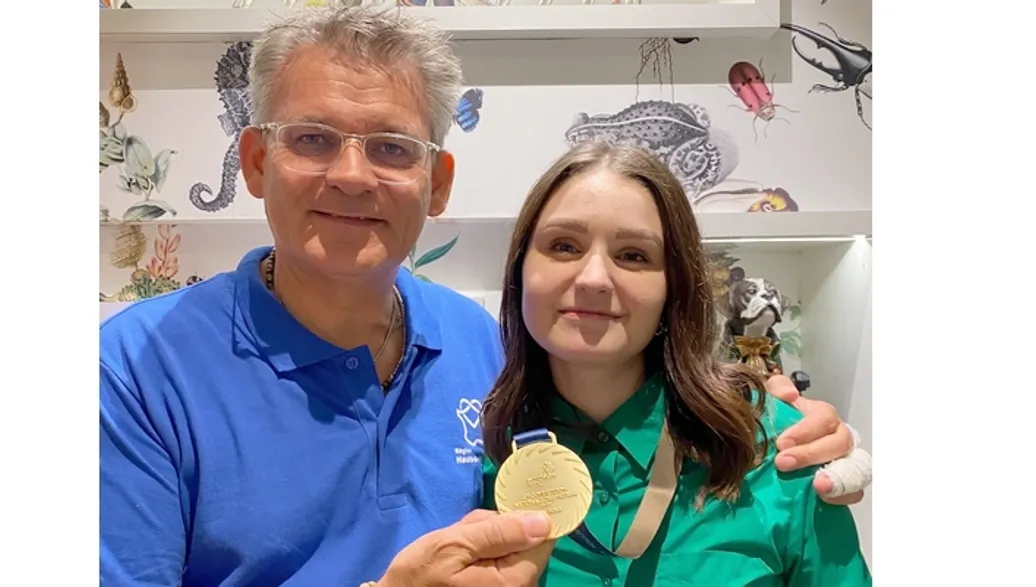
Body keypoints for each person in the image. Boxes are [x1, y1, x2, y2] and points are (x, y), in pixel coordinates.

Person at [98, 6, 872, 587]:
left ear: (436, 184)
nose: (352, 175)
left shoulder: (485, 352)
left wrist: (782, 425)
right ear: (257, 161)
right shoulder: (133, 372)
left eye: (392, 147)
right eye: (313, 138)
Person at [480, 141, 871, 586]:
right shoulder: (483, 461)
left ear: (674, 286)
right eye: (564, 245)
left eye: (633, 255)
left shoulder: (775, 450)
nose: (593, 278)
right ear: (520, 270)